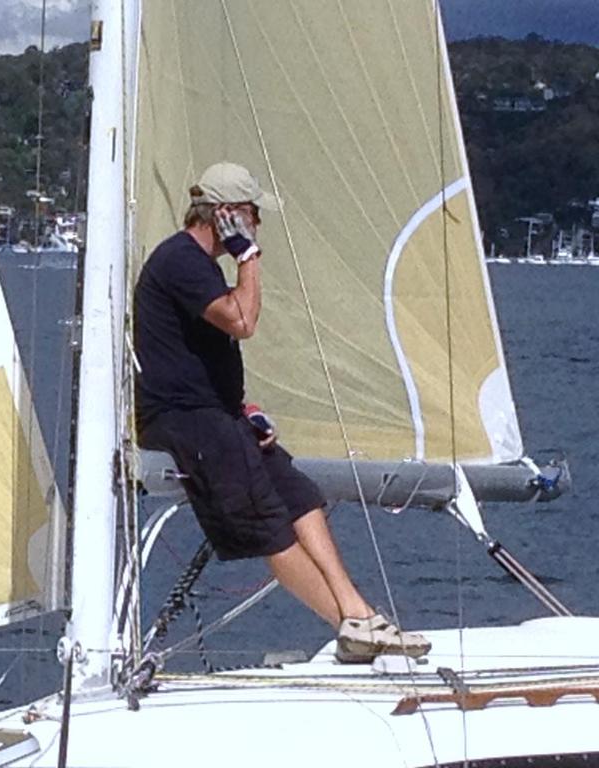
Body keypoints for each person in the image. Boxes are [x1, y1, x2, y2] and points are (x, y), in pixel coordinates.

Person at [133, 162, 429, 663]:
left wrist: (244, 408)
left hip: (217, 413)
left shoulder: (199, 265)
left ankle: (359, 613)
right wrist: (247, 256)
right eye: (252, 215)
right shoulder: (182, 260)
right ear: (226, 215)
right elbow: (243, 321)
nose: (258, 225)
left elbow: (200, 352)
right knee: (270, 526)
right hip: (184, 420)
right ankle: (348, 627)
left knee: (299, 495)